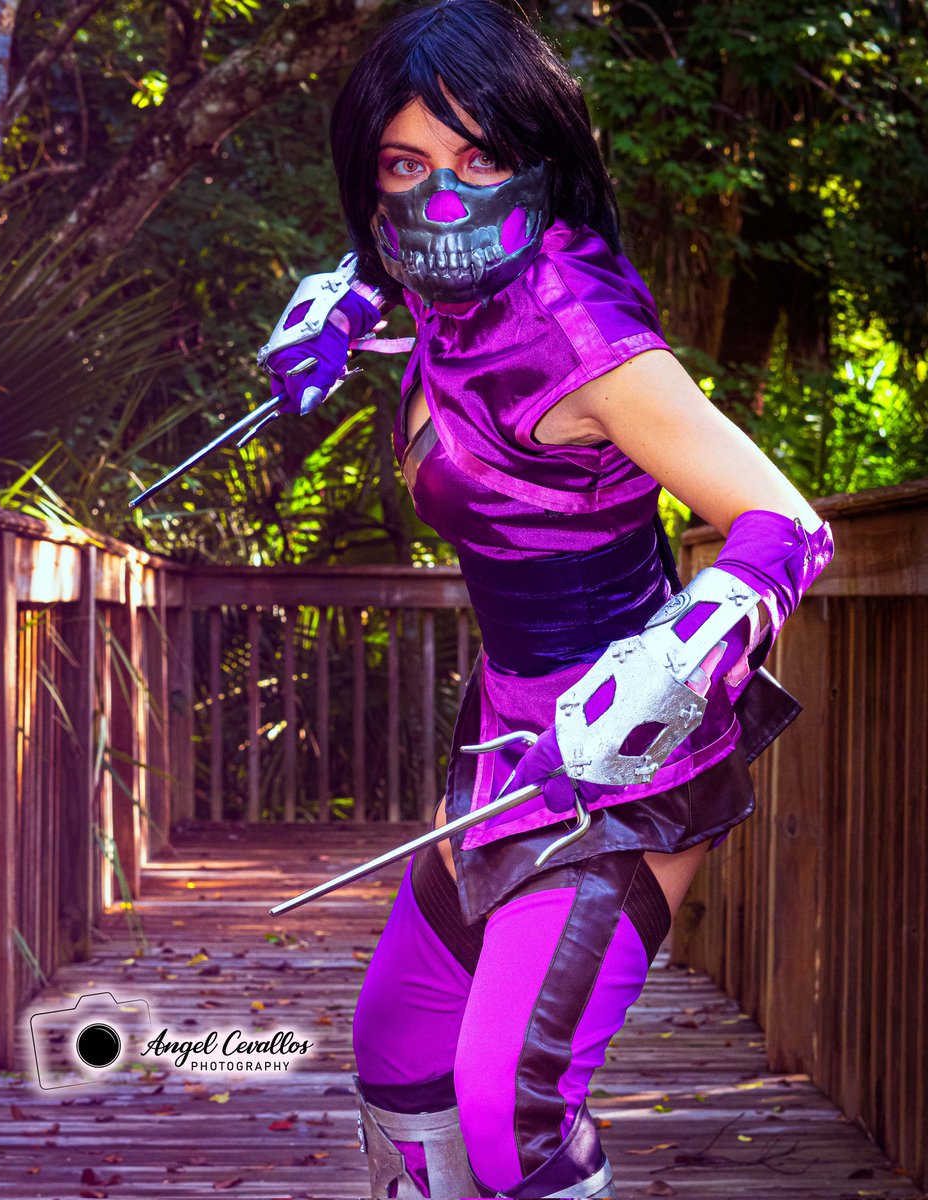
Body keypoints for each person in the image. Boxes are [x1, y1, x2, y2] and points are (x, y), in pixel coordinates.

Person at [257, 1, 835, 1195]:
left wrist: (676, 657)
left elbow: (790, 525)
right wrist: (356, 300)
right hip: (506, 743)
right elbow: (446, 286)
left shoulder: (584, 335)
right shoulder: (450, 288)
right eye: (405, 165)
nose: (442, 200)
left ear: (539, 157)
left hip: (628, 757)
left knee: (506, 1107)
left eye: (480, 159)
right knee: (400, 1052)